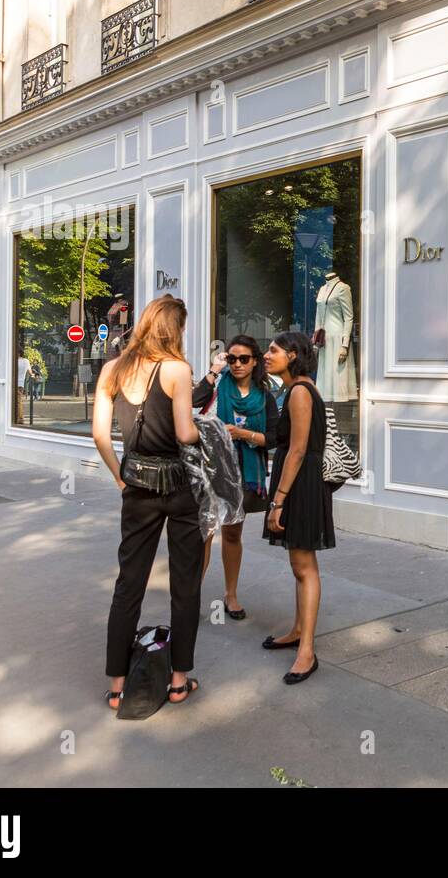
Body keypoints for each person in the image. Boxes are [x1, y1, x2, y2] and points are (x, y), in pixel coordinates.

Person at [92, 294, 204, 710]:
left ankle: (118, 688)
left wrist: (120, 477)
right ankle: (178, 682)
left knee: (129, 583)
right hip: (177, 488)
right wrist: (213, 430)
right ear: (175, 329)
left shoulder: (112, 370)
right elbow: (185, 433)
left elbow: (100, 436)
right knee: (185, 583)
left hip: (136, 488)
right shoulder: (177, 369)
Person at [260, 330, 334, 686]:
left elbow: (298, 450)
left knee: (305, 566)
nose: (265, 355)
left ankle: (307, 651)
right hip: (299, 482)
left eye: (272, 350)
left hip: (301, 484)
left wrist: (279, 501)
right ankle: (297, 631)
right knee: (299, 562)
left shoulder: (301, 392)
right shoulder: (298, 389)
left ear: (292, 355)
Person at [192, 335, 279, 620]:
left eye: (244, 359)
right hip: (211, 468)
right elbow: (192, 403)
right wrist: (214, 370)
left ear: (255, 362)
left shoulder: (265, 397)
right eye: (232, 358)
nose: (237, 364)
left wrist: (242, 434)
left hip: (244, 471)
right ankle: (190, 595)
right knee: (204, 532)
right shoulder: (217, 385)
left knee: (232, 533)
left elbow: (273, 438)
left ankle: (231, 594)